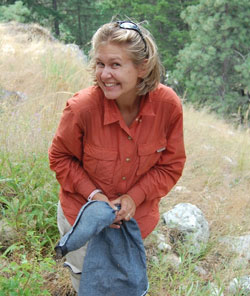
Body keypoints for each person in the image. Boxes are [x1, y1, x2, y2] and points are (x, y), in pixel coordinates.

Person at [49, 19, 186, 293]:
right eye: (100, 64)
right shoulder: (81, 109)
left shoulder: (167, 105)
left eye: (115, 64)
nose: (105, 74)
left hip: (135, 224)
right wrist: (95, 197)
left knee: (126, 282)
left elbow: (171, 166)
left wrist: (134, 197)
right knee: (87, 281)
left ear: (142, 67)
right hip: (82, 219)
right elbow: (60, 158)